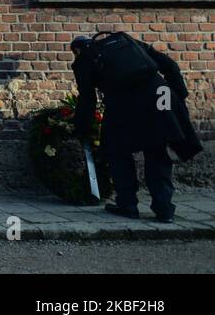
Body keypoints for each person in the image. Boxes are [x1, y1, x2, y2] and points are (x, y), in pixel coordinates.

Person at [71, 33, 201, 223]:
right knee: (157, 150)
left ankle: (127, 204)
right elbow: (169, 64)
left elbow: (87, 99)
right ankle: (164, 209)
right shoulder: (126, 41)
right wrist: (179, 96)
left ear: (77, 49)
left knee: (118, 152)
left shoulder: (84, 59)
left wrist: (82, 128)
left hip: (122, 102)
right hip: (159, 94)